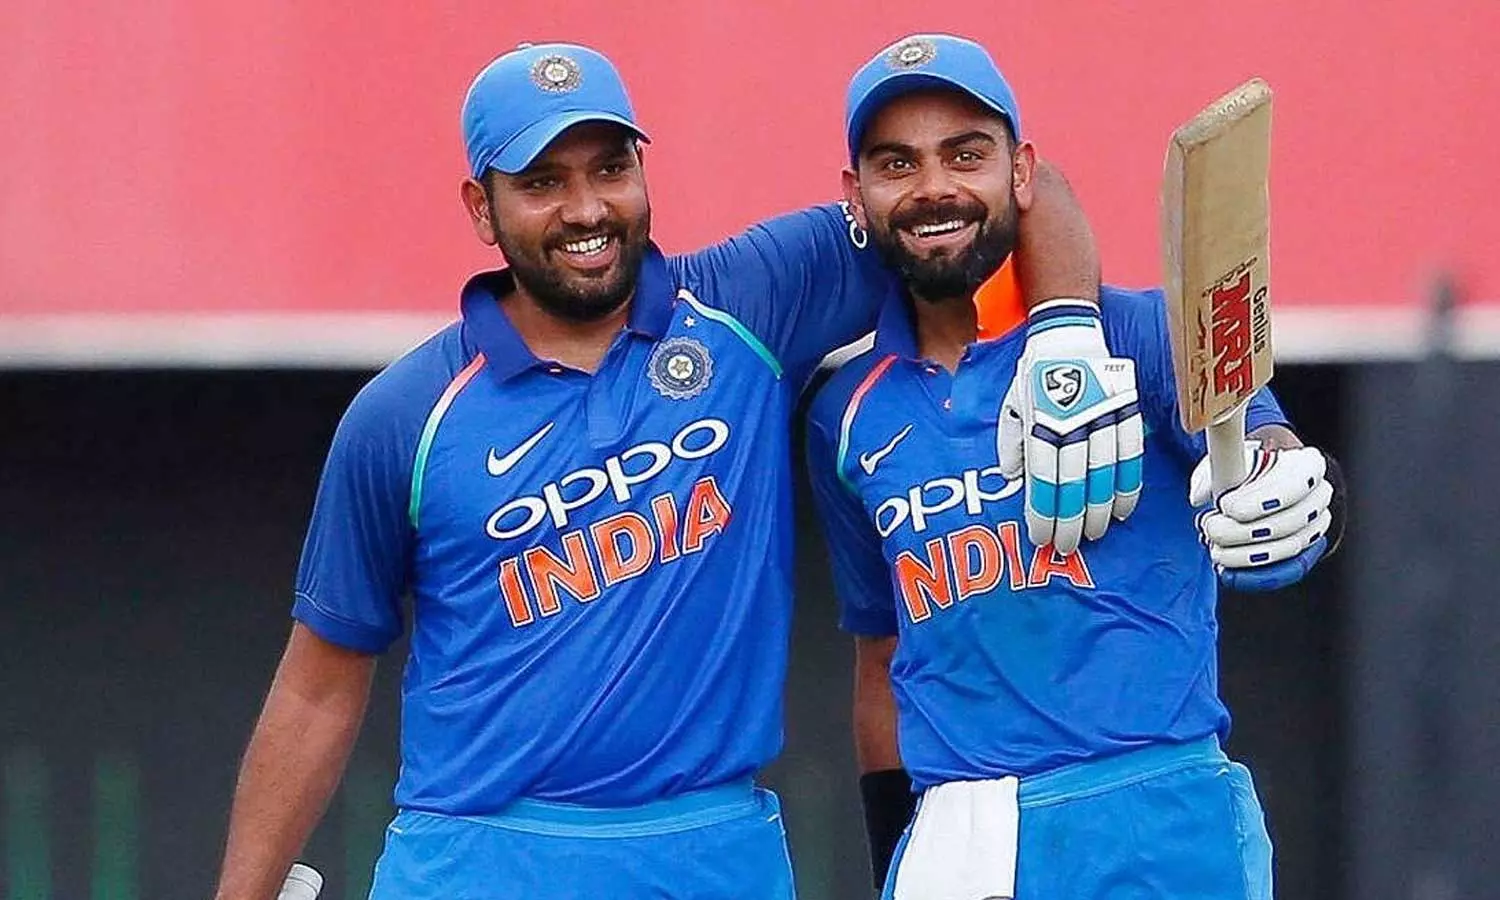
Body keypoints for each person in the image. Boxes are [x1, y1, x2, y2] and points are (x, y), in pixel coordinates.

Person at [211, 41, 1109, 900]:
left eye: (610, 169)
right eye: (542, 183)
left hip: (712, 856)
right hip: (481, 857)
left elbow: (1021, 189)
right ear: (482, 208)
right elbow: (316, 689)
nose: (586, 209)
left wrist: (1067, 330)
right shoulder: (403, 417)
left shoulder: (752, 301)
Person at [805, 34, 1346, 898]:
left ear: (1021, 172)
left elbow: (1267, 454)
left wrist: (1287, 491)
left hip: (1160, 811)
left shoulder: (1138, 332)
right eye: (897, 163)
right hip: (959, 832)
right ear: (856, 196)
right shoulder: (845, 410)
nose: (934, 186)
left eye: (966, 155)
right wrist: (893, 852)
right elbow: (881, 655)